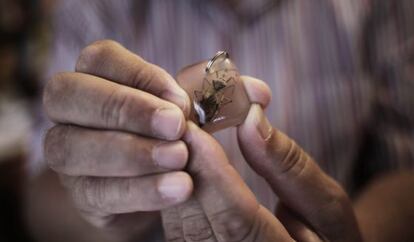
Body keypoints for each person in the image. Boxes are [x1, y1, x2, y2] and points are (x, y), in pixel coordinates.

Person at [33, 0, 414, 241]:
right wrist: (106, 203)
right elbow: (38, 198)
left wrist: (356, 233)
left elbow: (405, 166)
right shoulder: (93, 8)